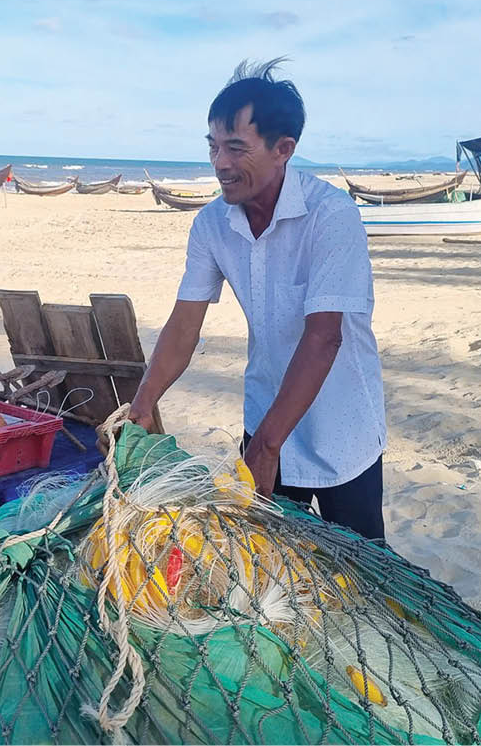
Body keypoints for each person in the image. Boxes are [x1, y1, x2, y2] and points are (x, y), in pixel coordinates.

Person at [128, 59, 387, 541]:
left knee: (364, 579)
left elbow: (324, 336)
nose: (220, 163)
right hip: (264, 410)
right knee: (271, 570)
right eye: (213, 147)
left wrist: (267, 449)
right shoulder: (211, 224)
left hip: (342, 425)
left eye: (235, 148)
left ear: (283, 150)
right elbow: (185, 323)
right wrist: (143, 404)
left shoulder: (331, 215)